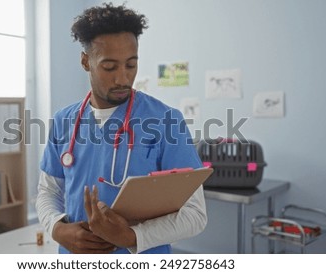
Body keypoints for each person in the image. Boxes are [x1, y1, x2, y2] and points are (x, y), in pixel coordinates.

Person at [36, 3, 207, 254]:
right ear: (86, 61)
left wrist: (132, 236)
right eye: (109, 67)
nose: (122, 78)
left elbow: (195, 215)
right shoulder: (63, 121)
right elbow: (48, 192)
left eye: (130, 65)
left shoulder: (166, 121)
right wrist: (57, 229)